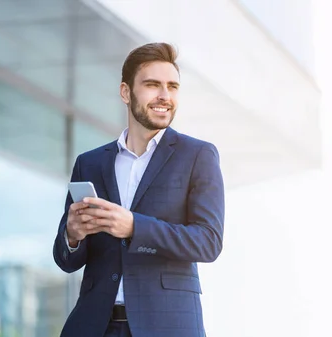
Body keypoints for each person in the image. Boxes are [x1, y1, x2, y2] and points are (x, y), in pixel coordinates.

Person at [53, 42, 225, 337]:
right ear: (125, 92)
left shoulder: (198, 155)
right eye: (152, 85)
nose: (164, 96)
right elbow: (65, 260)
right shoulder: (90, 163)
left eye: (172, 86)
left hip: (167, 326)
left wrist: (134, 226)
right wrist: (73, 236)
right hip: (95, 326)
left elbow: (208, 241)